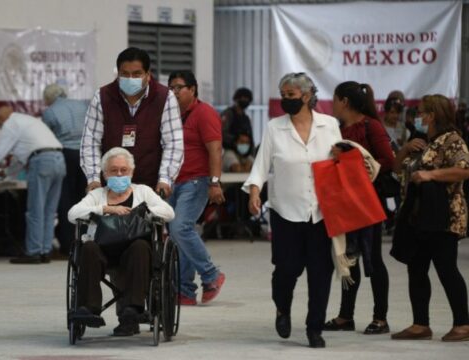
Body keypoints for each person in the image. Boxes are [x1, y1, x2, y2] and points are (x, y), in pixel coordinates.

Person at [243, 72, 342, 348]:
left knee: (320, 272)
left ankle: (314, 328)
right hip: (285, 211)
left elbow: (341, 161)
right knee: (287, 270)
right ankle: (282, 308)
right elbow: (261, 165)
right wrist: (254, 191)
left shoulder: (330, 125)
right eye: (283, 94)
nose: (285, 99)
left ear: (307, 96)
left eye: (290, 95)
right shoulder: (275, 127)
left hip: (321, 212)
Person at [68, 147, 175, 336]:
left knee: (141, 246)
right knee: (88, 248)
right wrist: (105, 209)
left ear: (131, 172)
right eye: (113, 170)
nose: (119, 174)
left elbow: (169, 212)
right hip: (104, 250)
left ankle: (132, 309)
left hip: (135, 254)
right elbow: (72, 214)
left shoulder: (143, 192)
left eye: (123, 170)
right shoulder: (97, 195)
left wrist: (144, 212)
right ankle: (89, 308)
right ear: (104, 174)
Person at [391, 94, 469, 342]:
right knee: (417, 268)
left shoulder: (452, 140)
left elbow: (464, 170)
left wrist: (431, 176)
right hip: (418, 215)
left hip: (444, 215)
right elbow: (396, 170)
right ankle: (420, 324)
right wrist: (404, 149)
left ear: (433, 114)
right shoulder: (424, 141)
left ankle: (463, 324)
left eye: (422, 112)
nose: (418, 116)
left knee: (446, 268)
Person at [323, 81, 395, 335]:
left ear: (344, 101)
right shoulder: (337, 128)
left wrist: (357, 168)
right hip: (345, 202)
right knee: (348, 258)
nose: (332, 103)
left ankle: (380, 318)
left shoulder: (371, 127)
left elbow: (388, 160)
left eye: (334, 98)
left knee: (373, 259)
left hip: (367, 202)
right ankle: (346, 316)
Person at [80, 47, 183, 196]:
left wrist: (165, 179)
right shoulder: (102, 97)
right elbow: (90, 141)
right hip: (110, 187)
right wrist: (93, 179)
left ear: (148, 75)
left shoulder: (165, 97)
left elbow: (173, 142)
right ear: (118, 74)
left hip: (151, 187)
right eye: (125, 74)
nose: (130, 79)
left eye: (136, 74)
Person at [166, 70, 226, 306]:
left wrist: (214, 182)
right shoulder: (170, 115)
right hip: (173, 181)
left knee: (180, 228)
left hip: (196, 181)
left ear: (192, 89)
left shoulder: (204, 113)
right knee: (177, 234)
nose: (174, 92)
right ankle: (185, 291)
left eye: (179, 87)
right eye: (171, 88)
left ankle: (211, 274)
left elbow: (215, 150)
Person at [0, 106, 66, 264]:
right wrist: (6, 173)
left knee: (36, 210)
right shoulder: (29, 121)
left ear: (2, 119)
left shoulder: (11, 123)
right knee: (49, 211)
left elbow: (0, 150)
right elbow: (20, 159)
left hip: (41, 162)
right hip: (59, 159)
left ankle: (34, 252)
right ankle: (45, 251)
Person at [42, 83, 89, 259]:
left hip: (65, 154)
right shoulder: (82, 105)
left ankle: (68, 243)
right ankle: (86, 241)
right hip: (85, 154)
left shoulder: (50, 112)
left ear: (49, 99)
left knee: (65, 200)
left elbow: (46, 137)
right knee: (85, 199)